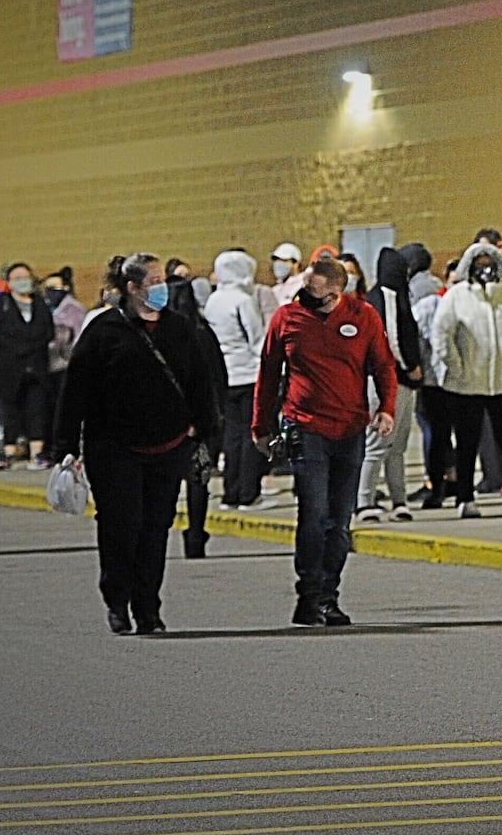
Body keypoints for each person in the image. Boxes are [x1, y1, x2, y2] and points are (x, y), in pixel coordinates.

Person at [54, 253, 222, 635]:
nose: (163, 287)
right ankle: (116, 599)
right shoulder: (104, 331)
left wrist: (204, 429)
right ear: (132, 288)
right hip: (113, 449)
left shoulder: (179, 329)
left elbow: (200, 382)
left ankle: (148, 607)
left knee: (154, 528)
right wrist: (65, 445)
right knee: (120, 525)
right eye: (155, 280)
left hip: (168, 446)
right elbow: (75, 390)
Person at [254, 256, 397, 625]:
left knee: (340, 520)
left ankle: (329, 595)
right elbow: (268, 374)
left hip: (350, 429)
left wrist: (387, 408)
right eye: (304, 288)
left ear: (336, 292)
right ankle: (309, 594)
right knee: (313, 514)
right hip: (305, 427)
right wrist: (261, 427)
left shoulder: (363, 316)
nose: (305, 296)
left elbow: (383, 366)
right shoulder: (287, 318)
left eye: (314, 292)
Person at [432, 242, 502, 519]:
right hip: (466, 387)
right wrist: (457, 368)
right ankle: (466, 499)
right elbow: (441, 335)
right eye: (479, 263)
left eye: (490, 263)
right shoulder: (456, 297)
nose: (485, 269)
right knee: (467, 444)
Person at [160, 276, 226, 559]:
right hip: (200, 418)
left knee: (164, 482)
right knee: (198, 479)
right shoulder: (202, 332)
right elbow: (218, 376)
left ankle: (158, 535)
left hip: (165, 421)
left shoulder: (157, 334)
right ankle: (196, 536)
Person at [357, 247, 423, 522]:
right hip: (388, 382)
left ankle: (399, 500)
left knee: (395, 446)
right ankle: (364, 501)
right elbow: (392, 338)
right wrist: (411, 366)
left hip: (395, 382)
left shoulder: (386, 296)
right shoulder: (386, 298)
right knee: (379, 445)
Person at [205, 250, 271, 509]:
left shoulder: (213, 301)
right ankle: (248, 493)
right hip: (248, 374)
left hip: (224, 377)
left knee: (231, 436)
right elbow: (256, 339)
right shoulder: (242, 301)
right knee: (252, 434)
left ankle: (230, 493)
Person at [0, 263, 55, 469]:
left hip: (36, 369)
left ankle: (36, 453)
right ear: (8, 282)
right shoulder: (2, 304)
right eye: (17, 278)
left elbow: (48, 332)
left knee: (37, 410)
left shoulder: (40, 304)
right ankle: (8, 452)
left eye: (25, 277)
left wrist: (31, 346)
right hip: (9, 369)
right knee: (11, 411)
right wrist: (20, 347)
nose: (22, 281)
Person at [411, 259, 455, 509]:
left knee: (464, 436)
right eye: (454, 282)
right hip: (433, 382)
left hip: (464, 382)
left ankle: (460, 486)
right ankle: (436, 487)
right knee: (437, 436)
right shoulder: (431, 305)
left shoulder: (469, 305)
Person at [41, 268, 89, 437]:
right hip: (46, 365)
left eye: (54, 288)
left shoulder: (75, 310)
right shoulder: (43, 307)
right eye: (47, 288)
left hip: (65, 365)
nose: (49, 292)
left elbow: (79, 338)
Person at [267, 241, 306, 310]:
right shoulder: (274, 290)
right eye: (276, 260)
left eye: (284, 260)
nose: (279, 264)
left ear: (296, 263)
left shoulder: (305, 285)